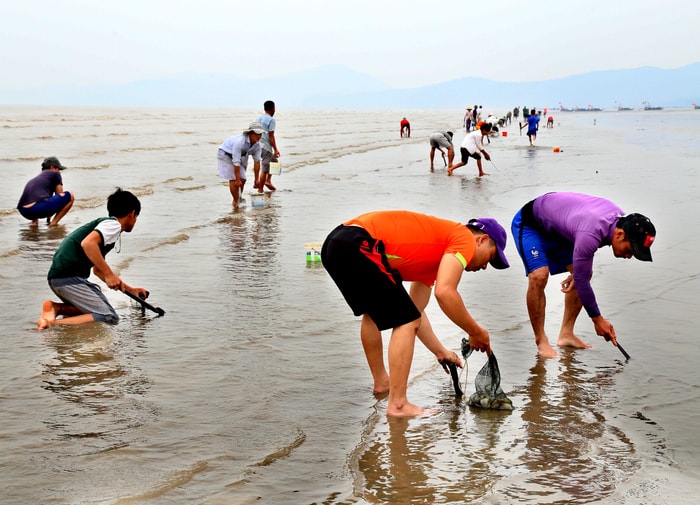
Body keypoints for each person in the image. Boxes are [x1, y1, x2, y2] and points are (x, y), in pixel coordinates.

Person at [321, 210, 510, 417]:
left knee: (379, 315)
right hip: (357, 242)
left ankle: (382, 384)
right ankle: (399, 404)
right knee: (404, 320)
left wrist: (440, 351)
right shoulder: (463, 237)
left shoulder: (433, 262)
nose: (484, 267)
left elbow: (414, 311)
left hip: (336, 243)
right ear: (482, 239)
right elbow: (445, 293)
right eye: (490, 258)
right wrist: (476, 331)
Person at [511, 192, 656, 358]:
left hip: (560, 231)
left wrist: (580, 275)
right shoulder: (592, 231)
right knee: (539, 275)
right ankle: (541, 341)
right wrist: (597, 319)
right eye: (631, 250)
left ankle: (566, 334)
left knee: (584, 273)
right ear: (620, 235)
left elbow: (582, 274)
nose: (629, 256)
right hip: (532, 223)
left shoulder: (621, 223)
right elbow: (582, 277)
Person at [37, 188, 149, 330]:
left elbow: (98, 270)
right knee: (109, 316)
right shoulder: (113, 225)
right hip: (68, 278)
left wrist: (130, 290)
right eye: (136, 216)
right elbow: (88, 243)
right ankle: (51, 324)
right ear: (132, 214)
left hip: (60, 277)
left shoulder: (107, 227)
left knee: (97, 308)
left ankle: (56, 308)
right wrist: (109, 274)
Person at [17, 156, 75, 227]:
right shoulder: (55, 174)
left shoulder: (36, 179)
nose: (59, 171)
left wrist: (47, 217)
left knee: (39, 200)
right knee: (70, 196)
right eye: (58, 169)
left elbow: (36, 197)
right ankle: (54, 223)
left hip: (24, 211)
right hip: (37, 208)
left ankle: (34, 223)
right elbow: (60, 195)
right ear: (52, 167)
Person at [217, 121, 264, 209]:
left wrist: (256, 179)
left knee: (243, 179)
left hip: (239, 156)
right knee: (234, 179)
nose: (258, 137)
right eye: (256, 134)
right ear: (250, 133)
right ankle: (236, 201)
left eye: (260, 134)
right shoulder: (240, 142)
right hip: (225, 153)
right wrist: (237, 179)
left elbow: (257, 162)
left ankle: (238, 198)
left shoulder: (258, 145)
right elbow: (236, 162)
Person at [256, 100, 281, 193]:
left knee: (275, 162)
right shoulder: (271, 120)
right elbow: (271, 135)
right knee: (265, 168)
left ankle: (268, 181)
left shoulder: (259, 119)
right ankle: (260, 190)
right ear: (273, 108)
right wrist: (276, 149)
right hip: (266, 146)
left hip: (258, 145)